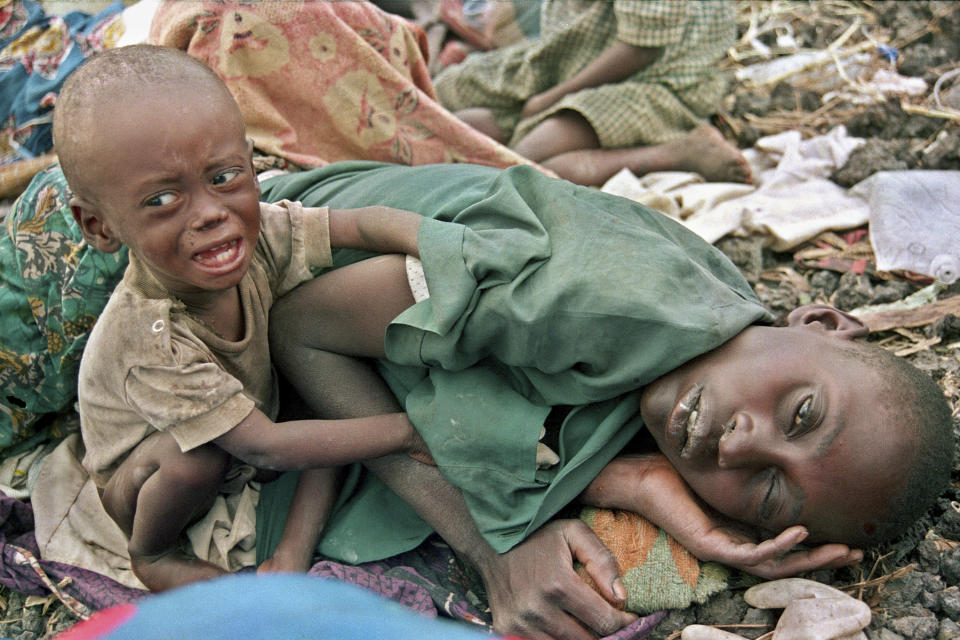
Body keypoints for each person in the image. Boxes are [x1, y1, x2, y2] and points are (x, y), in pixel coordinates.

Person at [259, 160, 954, 640]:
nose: (739, 444)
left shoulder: (708, 352)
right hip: (211, 282)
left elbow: (533, 403)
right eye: (801, 414)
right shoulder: (597, 299)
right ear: (822, 321)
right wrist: (490, 543)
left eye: (768, 493)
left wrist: (627, 478)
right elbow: (300, 329)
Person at [51, 45, 431, 592]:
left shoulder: (258, 236)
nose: (209, 213)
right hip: (149, 481)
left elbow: (362, 226)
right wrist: (408, 432)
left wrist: (446, 246)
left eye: (225, 176)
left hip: (252, 426)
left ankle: (289, 556)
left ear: (252, 164)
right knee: (198, 460)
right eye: (161, 199)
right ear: (100, 227)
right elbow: (262, 447)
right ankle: (154, 557)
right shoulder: (150, 339)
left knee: (316, 381)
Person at [433, 0, 754, 187]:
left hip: (663, 78)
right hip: (582, 56)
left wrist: (548, 99)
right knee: (455, 118)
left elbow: (642, 49)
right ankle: (524, 123)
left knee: (527, 161)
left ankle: (675, 153)